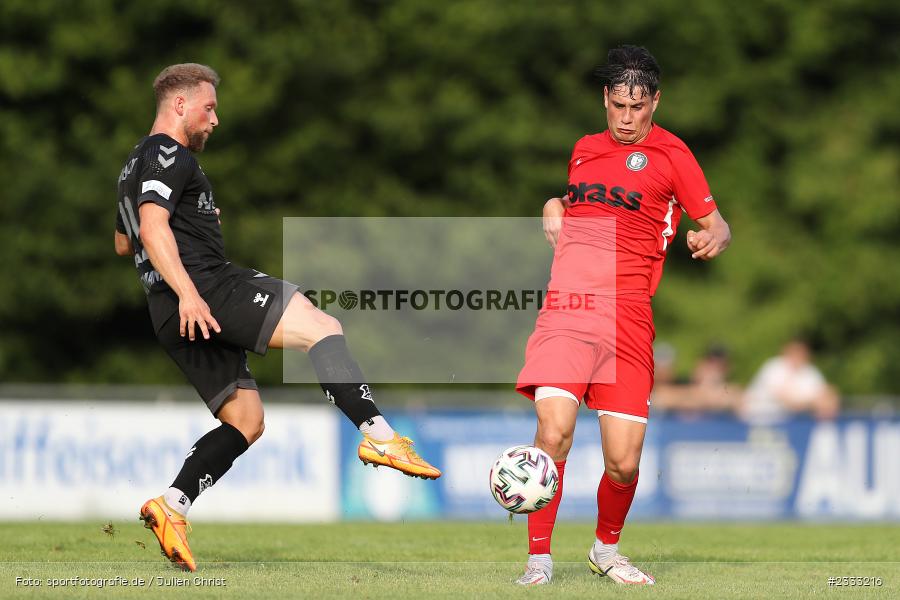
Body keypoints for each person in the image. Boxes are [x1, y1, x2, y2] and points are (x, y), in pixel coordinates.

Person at [114, 63, 440, 571]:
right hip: (203, 291)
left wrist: (192, 219)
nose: (215, 119)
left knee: (246, 420)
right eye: (209, 107)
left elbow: (123, 240)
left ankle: (171, 505)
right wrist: (190, 293)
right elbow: (153, 227)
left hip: (164, 312)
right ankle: (381, 438)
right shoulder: (166, 152)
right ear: (179, 105)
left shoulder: (131, 164)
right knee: (323, 329)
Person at [514, 46, 731, 586]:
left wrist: (711, 237)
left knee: (624, 462)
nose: (627, 117)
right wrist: (552, 205)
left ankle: (605, 550)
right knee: (554, 430)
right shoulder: (584, 149)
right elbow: (577, 205)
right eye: (618, 105)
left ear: (655, 101)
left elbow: (718, 223)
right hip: (568, 307)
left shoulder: (674, 155)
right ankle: (539, 559)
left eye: (637, 106)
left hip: (629, 317)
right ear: (605, 100)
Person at [740, 339, 839, 424]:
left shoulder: (810, 371)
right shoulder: (774, 366)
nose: (798, 356)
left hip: (786, 425)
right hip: (758, 421)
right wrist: (812, 403)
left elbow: (827, 395)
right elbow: (786, 400)